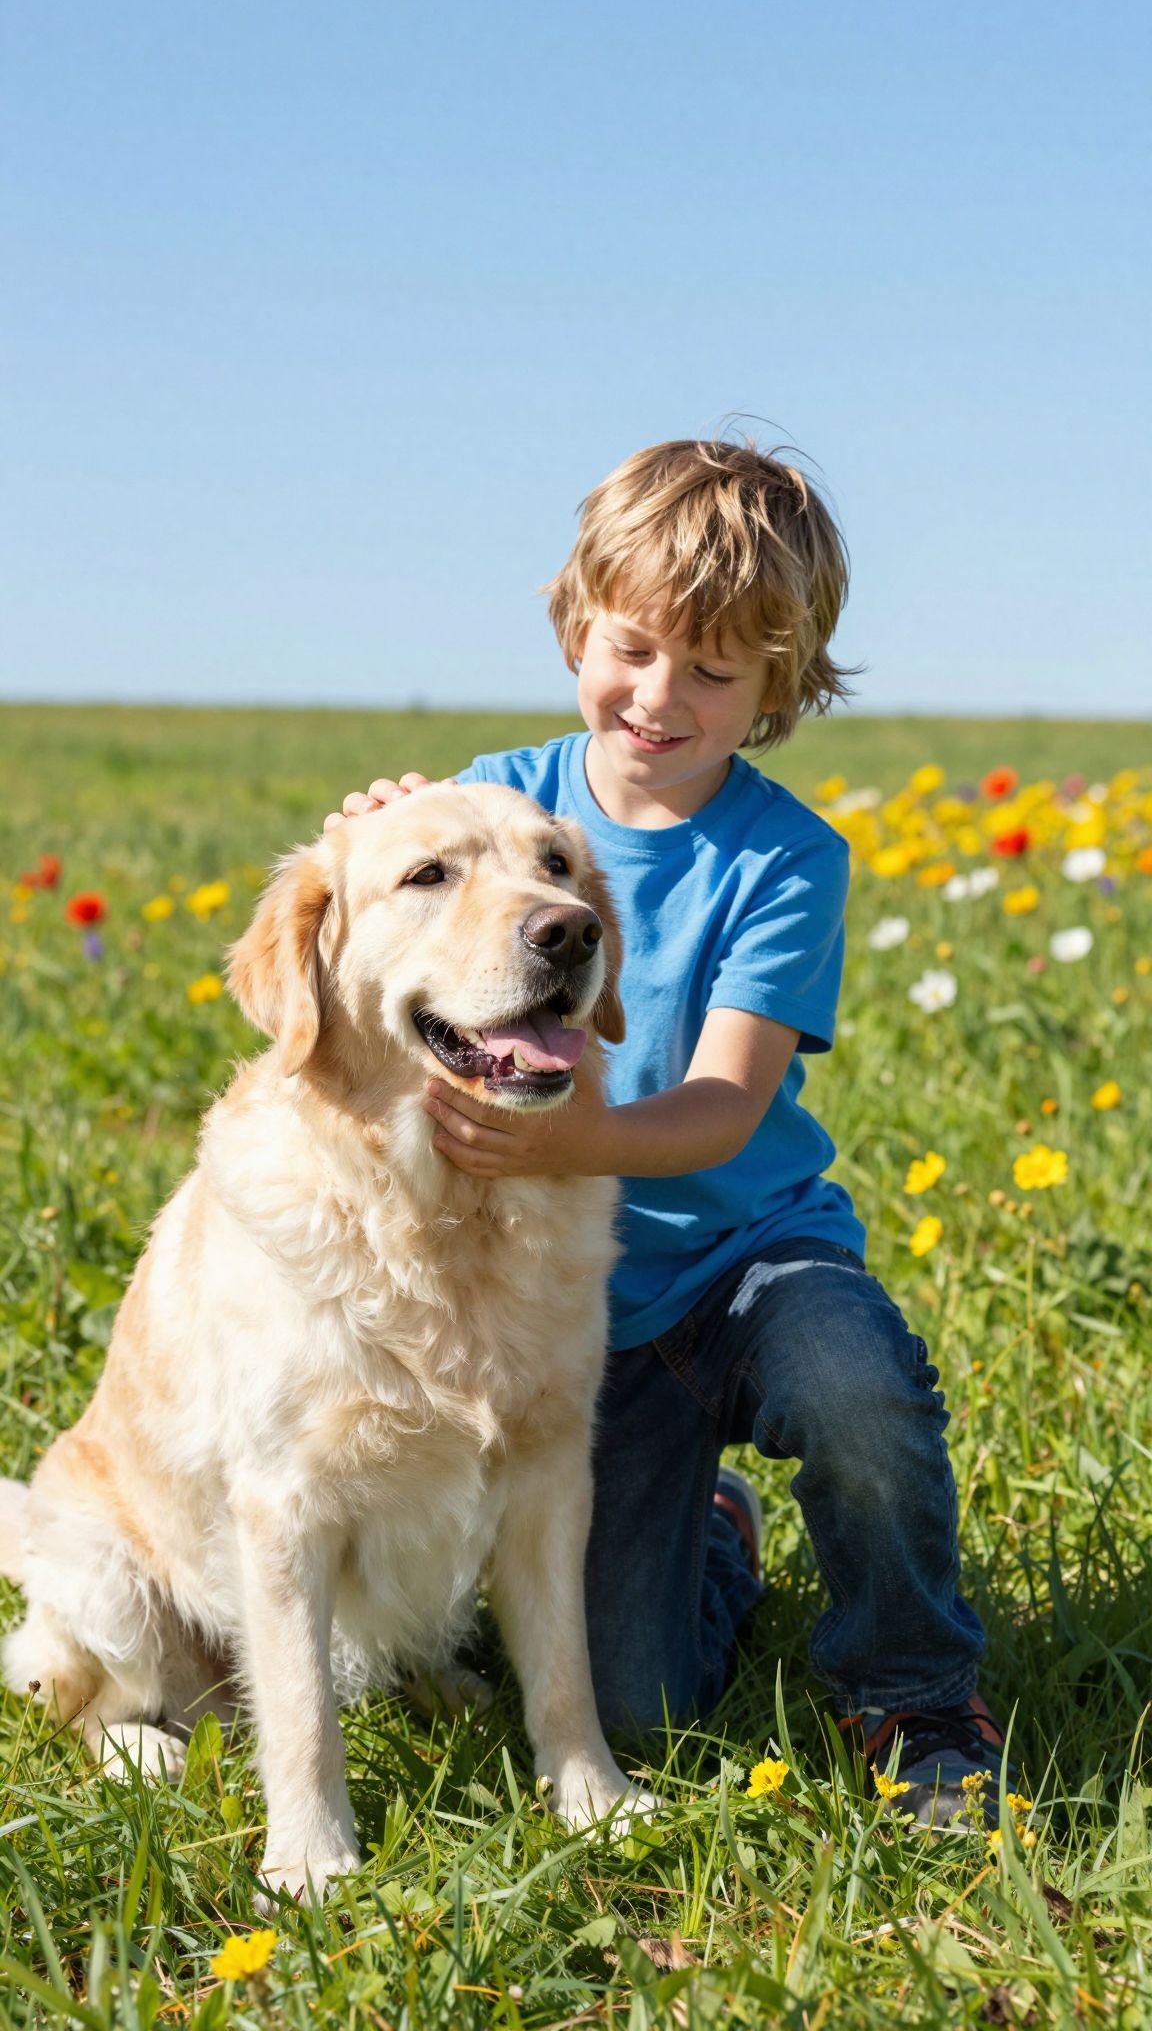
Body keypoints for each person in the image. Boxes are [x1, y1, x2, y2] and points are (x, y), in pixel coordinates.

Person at [328, 436, 1005, 1825]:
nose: (659, 696)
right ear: (581, 622)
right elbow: (383, 927)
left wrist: (569, 1145)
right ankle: (717, 1539)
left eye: (714, 670)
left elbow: (721, 1106)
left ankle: (918, 1695)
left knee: (856, 1394)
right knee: (638, 1703)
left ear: (777, 688)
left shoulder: (785, 857)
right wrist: (363, 834)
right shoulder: (501, 800)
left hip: (748, 1259)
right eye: (634, 648)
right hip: (575, 1311)